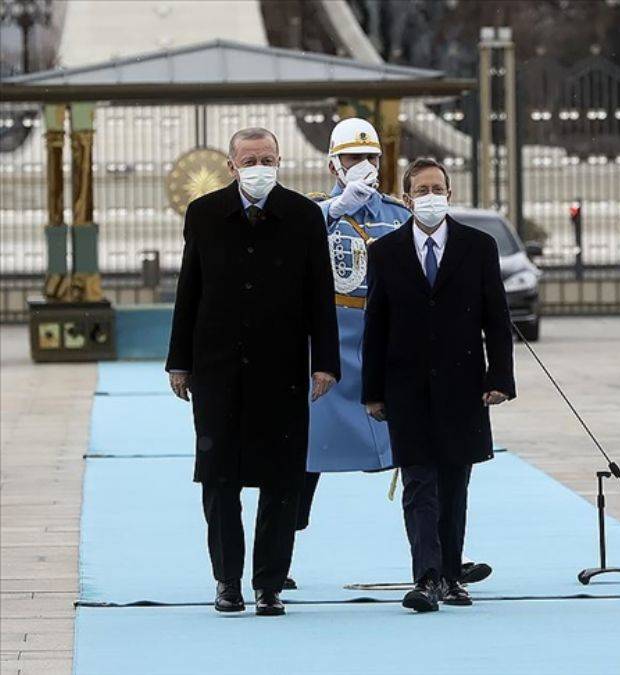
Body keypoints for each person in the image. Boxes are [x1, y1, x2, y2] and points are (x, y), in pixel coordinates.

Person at [296, 119, 493, 589]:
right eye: (349, 159)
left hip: (389, 352)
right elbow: (288, 250)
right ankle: (278, 558)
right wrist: (333, 211)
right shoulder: (314, 213)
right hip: (329, 352)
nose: (360, 168)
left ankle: (442, 557)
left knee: (428, 461)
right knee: (304, 462)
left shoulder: (396, 213)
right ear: (332, 164)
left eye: (367, 159)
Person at [166, 127, 340, 616]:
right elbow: (189, 291)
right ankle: (227, 581)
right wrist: (179, 361)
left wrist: (325, 362)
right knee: (219, 479)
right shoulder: (204, 215)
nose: (258, 166)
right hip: (217, 370)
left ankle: (269, 583)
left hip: (282, 368)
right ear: (231, 165)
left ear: (279, 160)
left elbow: (319, 295)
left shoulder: (304, 216)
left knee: (282, 480)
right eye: (249, 159)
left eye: (267, 158)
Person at [361, 157, 516, 613]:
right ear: (407, 199)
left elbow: (497, 319)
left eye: (438, 189)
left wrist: (500, 378)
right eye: (421, 190)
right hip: (405, 385)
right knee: (419, 483)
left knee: (453, 483)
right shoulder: (386, 251)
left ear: (449, 194)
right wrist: (372, 391)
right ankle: (426, 578)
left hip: (463, 384)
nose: (430, 197)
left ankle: (452, 574)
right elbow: (376, 323)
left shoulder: (478, 246)